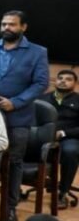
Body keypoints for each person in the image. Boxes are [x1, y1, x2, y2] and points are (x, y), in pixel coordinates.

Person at [0, 10, 50, 221]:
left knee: (13, 162)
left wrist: (15, 102)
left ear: (23, 27)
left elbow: (41, 83)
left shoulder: (37, 52)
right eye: (4, 24)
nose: (6, 28)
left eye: (12, 24)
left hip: (18, 116)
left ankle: (10, 207)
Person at [40, 69, 79, 209]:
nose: (63, 81)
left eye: (68, 79)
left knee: (71, 151)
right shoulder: (43, 98)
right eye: (60, 78)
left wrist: (63, 133)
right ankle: (20, 187)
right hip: (44, 137)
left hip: (69, 137)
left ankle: (63, 192)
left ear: (75, 84)